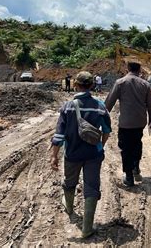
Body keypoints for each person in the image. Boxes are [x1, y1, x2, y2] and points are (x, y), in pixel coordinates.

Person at [50, 71, 112, 238]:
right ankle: (87, 228)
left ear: (76, 85)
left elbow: (59, 135)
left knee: (70, 182)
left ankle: (69, 207)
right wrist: (100, 146)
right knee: (91, 186)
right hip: (93, 154)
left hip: (72, 153)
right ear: (92, 85)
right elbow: (107, 131)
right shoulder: (100, 106)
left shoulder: (68, 106)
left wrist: (54, 155)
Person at [105, 62, 151, 187]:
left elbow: (109, 103)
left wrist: (103, 118)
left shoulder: (120, 83)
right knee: (137, 143)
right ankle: (136, 169)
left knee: (126, 148)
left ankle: (129, 176)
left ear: (127, 69)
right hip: (140, 122)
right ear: (139, 70)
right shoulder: (145, 84)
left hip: (126, 123)